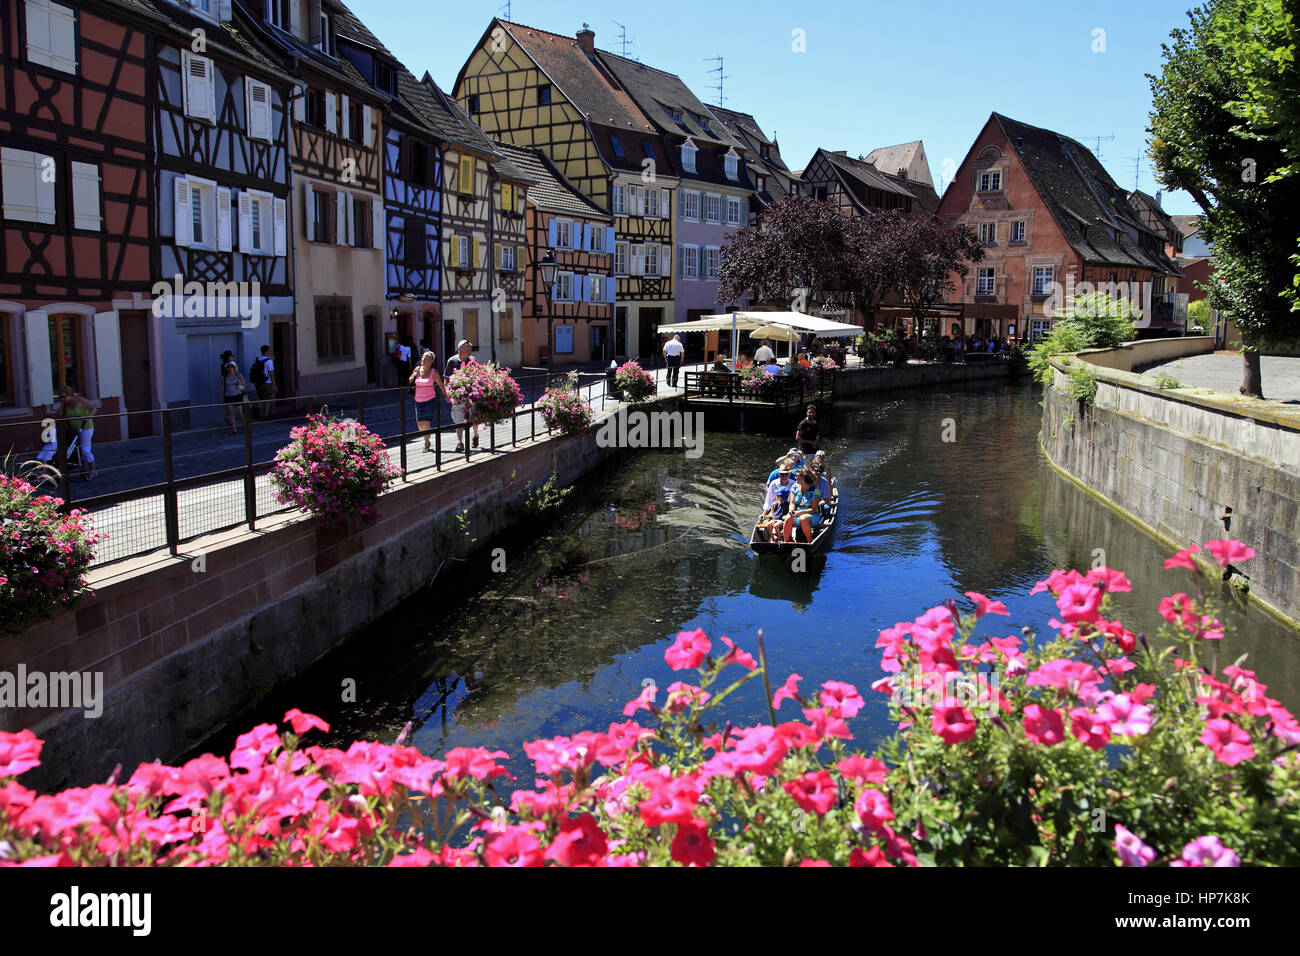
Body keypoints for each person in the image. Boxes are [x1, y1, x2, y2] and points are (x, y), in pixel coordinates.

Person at [38, 386, 100, 480]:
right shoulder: (65, 404)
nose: (62, 399)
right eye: (60, 397)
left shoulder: (80, 400)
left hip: (85, 427)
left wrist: (87, 417)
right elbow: (59, 415)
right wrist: (62, 405)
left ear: (70, 395)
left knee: (85, 450)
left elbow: (94, 409)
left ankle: (92, 468)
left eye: (63, 397)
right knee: (70, 447)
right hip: (73, 429)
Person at [409, 350, 450, 454]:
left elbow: (441, 385)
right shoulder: (417, 369)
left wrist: (446, 395)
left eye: (426, 358)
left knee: (426, 422)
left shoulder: (433, 372)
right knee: (419, 424)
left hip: (429, 400)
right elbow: (410, 380)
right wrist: (412, 378)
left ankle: (426, 442)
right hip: (418, 400)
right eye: (423, 358)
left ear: (431, 361)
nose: (423, 360)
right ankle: (427, 436)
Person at [445, 339, 479, 453]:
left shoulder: (472, 360)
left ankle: (475, 435)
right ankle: (460, 443)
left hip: (472, 395)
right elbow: (446, 378)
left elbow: (479, 376)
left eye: (470, 350)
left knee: (473, 417)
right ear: (460, 350)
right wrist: (447, 392)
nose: (470, 352)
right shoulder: (452, 361)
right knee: (458, 419)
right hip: (457, 395)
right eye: (467, 350)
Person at [782, 469, 823, 543]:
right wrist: (791, 510)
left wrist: (801, 513)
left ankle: (809, 542)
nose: (795, 478)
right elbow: (792, 503)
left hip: (812, 516)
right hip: (797, 513)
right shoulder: (795, 487)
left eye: (797, 476)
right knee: (788, 518)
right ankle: (786, 542)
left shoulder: (815, 490)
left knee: (803, 518)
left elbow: (813, 509)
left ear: (803, 478)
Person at [759, 461, 796, 542]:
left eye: (786, 474)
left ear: (789, 474)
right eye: (782, 474)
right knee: (771, 522)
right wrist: (764, 513)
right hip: (777, 508)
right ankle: (773, 537)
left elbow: (796, 500)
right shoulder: (773, 484)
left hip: (789, 509)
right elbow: (768, 500)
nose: (784, 476)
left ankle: (790, 538)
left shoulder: (794, 484)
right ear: (779, 474)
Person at [249, 345, 276, 419]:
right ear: (267, 351)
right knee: (266, 399)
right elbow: (271, 373)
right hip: (266, 382)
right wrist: (274, 384)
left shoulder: (257, 359)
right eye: (269, 350)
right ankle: (265, 415)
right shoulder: (269, 361)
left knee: (260, 397)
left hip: (258, 382)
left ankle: (257, 411)